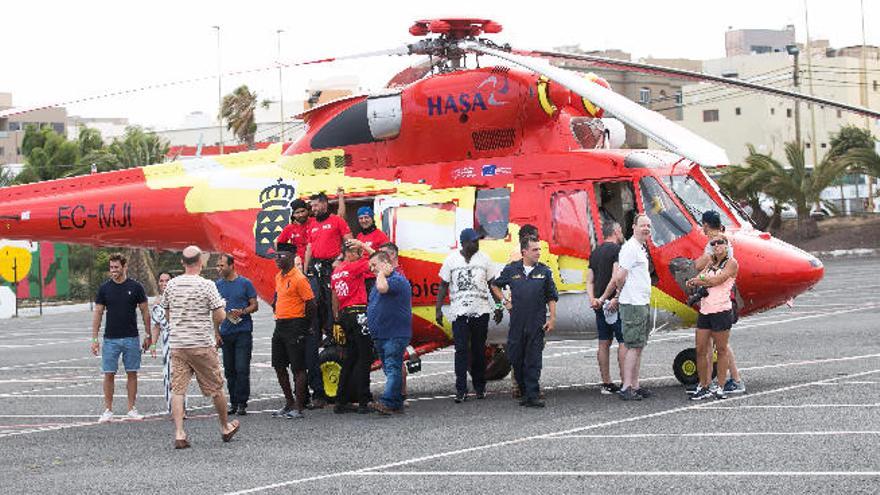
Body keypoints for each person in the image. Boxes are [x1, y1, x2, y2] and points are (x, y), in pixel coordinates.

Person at [157, 246, 239, 449]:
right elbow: (220, 316)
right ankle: (225, 426)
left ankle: (179, 432)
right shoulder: (207, 285)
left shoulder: (172, 285)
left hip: (178, 344)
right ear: (201, 263)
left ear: (183, 263)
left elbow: (166, 314)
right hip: (201, 343)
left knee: (178, 389)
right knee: (216, 388)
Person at [436, 228, 503, 403]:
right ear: (464, 243)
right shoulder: (451, 260)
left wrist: (498, 306)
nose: (477, 243)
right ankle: (461, 389)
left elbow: (492, 285)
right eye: (473, 241)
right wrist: (438, 309)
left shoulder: (484, 259)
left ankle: (480, 387)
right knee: (461, 351)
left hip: (480, 311)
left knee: (479, 351)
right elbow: (443, 285)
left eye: (477, 240)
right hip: (459, 313)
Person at [491, 237, 558, 408]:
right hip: (517, 323)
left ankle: (532, 394)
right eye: (535, 250)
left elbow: (551, 296)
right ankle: (523, 390)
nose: (538, 253)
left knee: (533, 360)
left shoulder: (544, 271)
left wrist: (552, 318)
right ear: (524, 252)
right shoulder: (512, 269)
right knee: (516, 357)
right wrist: (505, 302)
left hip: (536, 323)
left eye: (539, 249)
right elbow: (495, 286)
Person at [303, 191, 353, 407]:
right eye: (311, 206)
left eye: (315, 206)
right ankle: (325, 332)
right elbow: (309, 248)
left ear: (324, 204)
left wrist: (341, 260)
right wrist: (305, 273)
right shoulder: (312, 224)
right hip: (316, 266)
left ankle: (336, 335)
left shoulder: (336, 220)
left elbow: (348, 242)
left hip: (331, 266)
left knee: (334, 303)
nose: (313, 209)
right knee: (318, 304)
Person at [597, 214, 653, 401]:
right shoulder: (630, 248)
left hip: (640, 302)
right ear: (634, 227)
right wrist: (619, 295)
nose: (646, 229)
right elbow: (620, 276)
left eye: (648, 226)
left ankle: (635, 385)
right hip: (633, 304)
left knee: (638, 345)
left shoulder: (639, 247)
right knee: (632, 345)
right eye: (643, 225)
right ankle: (627, 386)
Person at [91, 253, 150, 423]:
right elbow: (98, 313)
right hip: (110, 339)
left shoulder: (136, 287)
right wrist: (95, 339)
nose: (113, 271)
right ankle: (108, 410)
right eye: (111, 268)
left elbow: (145, 311)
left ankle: (131, 409)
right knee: (109, 373)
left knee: (132, 373)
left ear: (124, 267)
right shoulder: (104, 289)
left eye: (116, 267)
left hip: (131, 338)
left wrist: (148, 335)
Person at [695, 210, 745, 395]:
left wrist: (698, 277)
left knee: (718, 346)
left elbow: (700, 266)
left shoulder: (714, 243)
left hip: (720, 301)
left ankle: (726, 381)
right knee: (719, 345)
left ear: (706, 225)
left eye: (703, 225)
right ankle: (721, 381)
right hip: (717, 301)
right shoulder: (723, 239)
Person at [688, 233, 739, 400]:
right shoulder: (710, 263)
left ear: (727, 245)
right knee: (701, 349)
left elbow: (717, 281)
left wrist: (698, 282)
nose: (717, 246)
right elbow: (700, 276)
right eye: (713, 244)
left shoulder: (731, 263)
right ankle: (704, 385)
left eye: (720, 243)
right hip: (705, 311)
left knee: (721, 349)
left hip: (721, 311)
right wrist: (693, 281)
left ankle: (721, 386)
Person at [270, 243, 316, 419]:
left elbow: (311, 304)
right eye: (276, 256)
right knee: (278, 365)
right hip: (280, 324)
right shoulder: (278, 277)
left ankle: (298, 406)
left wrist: (307, 325)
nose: (277, 259)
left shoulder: (299, 278)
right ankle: (288, 401)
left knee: (298, 367)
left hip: (295, 324)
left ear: (290, 257)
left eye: (281, 256)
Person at [331, 241, 374, 414]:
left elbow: (334, 296)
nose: (361, 254)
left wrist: (336, 318)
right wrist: (362, 243)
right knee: (365, 357)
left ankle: (341, 400)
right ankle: (364, 400)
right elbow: (377, 258)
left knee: (349, 359)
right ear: (349, 253)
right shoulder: (354, 267)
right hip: (359, 312)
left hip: (344, 314)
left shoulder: (337, 271)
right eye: (357, 252)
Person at [367, 251, 412, 415]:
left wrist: (381, 273)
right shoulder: (381, 279)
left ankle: (387, 402)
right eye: (370, 266)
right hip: (382, 334)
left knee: (392, 367)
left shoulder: (396, 280)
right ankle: (396, 402)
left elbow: (382, 288)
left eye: (374, 265)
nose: (372, 269)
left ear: (386, 264)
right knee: (389, 368)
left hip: (394, 333)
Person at [215, 254, 259, 415]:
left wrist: (243, 311)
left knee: (241, 368)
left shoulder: (245, 283)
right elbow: (214, 311)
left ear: (232, 266)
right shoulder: (217, 285)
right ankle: (233, 402)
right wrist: (216, 333)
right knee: (229, 370)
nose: (219, 269)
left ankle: (242, 402)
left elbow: (255, 305)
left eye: (222, 265)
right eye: (218, 266)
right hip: (225, 332)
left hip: (243, 331)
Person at [587, 221, 627, 395]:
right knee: (623, 342)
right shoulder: (618, 251)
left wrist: (594, 299)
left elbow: (589, 280)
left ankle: (606, 382)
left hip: (598, 305)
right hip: (612, 303)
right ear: (616, 232)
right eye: (620, 231)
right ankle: (626, 382)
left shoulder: (594, 253)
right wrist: (606, 297)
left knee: (603, 342)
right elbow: (616, 277)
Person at [150, 272, 180, 415]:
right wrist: (153, 344)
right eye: (161, 281)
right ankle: (172, 408)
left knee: (180, 375)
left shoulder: (180, 298)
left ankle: (181, 408)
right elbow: (156, 326)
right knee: (168, 375)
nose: (164, 283)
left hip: (181, 340)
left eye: (167, 280)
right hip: (167, 343)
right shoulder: (157, 303)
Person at [356, 206, 388, 294]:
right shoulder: (359, 236)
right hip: (361, 278)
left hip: (375, 277)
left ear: (372, 218)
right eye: (361, 218)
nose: (363, 220)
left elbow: (385, 258)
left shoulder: (381, 235)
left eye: (366, 217)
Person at [276, 198, 314, 271]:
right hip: (298, 266)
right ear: (293, 214)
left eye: (303, 211)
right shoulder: (289, 228)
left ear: (307, 210)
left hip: (315, 262)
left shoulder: (315, 222)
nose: (301, 214)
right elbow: (278, 244)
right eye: (297, 213)